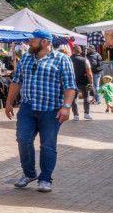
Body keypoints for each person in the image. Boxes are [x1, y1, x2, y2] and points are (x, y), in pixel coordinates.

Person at [5, 29, 76, 193]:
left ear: (45, 42)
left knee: (48, 145)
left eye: (33, 40)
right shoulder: (26, 58)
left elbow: (70, 86)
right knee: (23, 139)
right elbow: (16, 81)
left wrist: (66, 107)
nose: (29, 43)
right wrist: (9, 102)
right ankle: (29, 174)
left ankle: (45, 179)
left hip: (51, 110)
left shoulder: (62, 60)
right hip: (27, 108)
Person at [66, 46, 95, 121]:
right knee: (86, 97)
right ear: (81, 51)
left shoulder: (68, 59)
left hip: (72, 81)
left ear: (73, 51)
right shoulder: (85, 60)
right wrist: (91, 83)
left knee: (74, 98)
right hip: (85, 81)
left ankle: (76, 115)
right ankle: (86, 114)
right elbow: (89, 72)